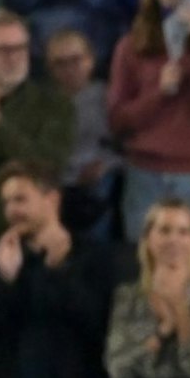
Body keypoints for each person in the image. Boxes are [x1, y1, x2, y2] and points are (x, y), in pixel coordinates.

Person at [0, 159, 118, 378]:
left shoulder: (93, 255)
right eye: (6, 203)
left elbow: (98, 326)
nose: (11, 210)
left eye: (20, 199)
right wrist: (4, 280)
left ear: (52, 199)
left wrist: (60, 270)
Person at [106, 0, 190, 238]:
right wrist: (158, 93)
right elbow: (117, 120)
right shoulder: (132, 46)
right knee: (142, 265)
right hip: (145, 172)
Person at [0, 8, 70, 247]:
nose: (13, 57)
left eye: (19, 48)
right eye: (1, 50)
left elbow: (49, 164)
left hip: (25, 236)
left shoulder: (55, 104)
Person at [104, 195, 190, 378]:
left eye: (183, 232)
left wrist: (181, 310)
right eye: (165, 230)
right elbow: (119, 369)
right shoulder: (128, 297)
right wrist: (163, 331)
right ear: (148, 238)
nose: (173, 239)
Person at [46, 27, 115, 236]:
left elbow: (125, 146)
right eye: (60, 63)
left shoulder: (108, 97)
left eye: (76, 60)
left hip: (97, 182)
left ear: (90, 60)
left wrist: (104, 165)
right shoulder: (42, 103)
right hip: (55, 183)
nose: (69, 69)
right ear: (50, 68)